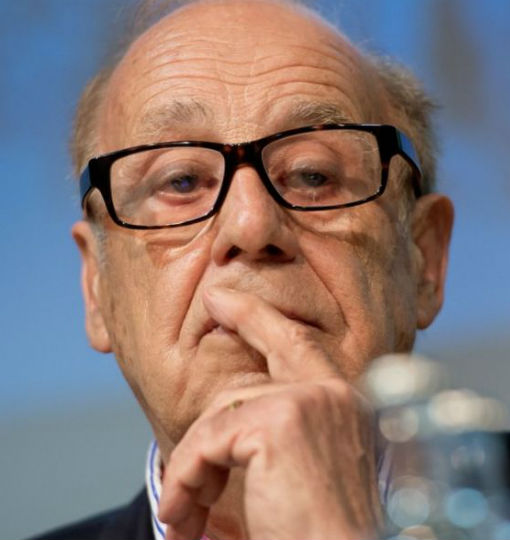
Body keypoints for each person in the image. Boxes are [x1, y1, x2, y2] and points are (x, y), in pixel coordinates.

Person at [34, 0, 454, 538]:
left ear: (423, 259)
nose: (252, 226)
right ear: (97, 289)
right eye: (181, 181)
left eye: (313, 175)